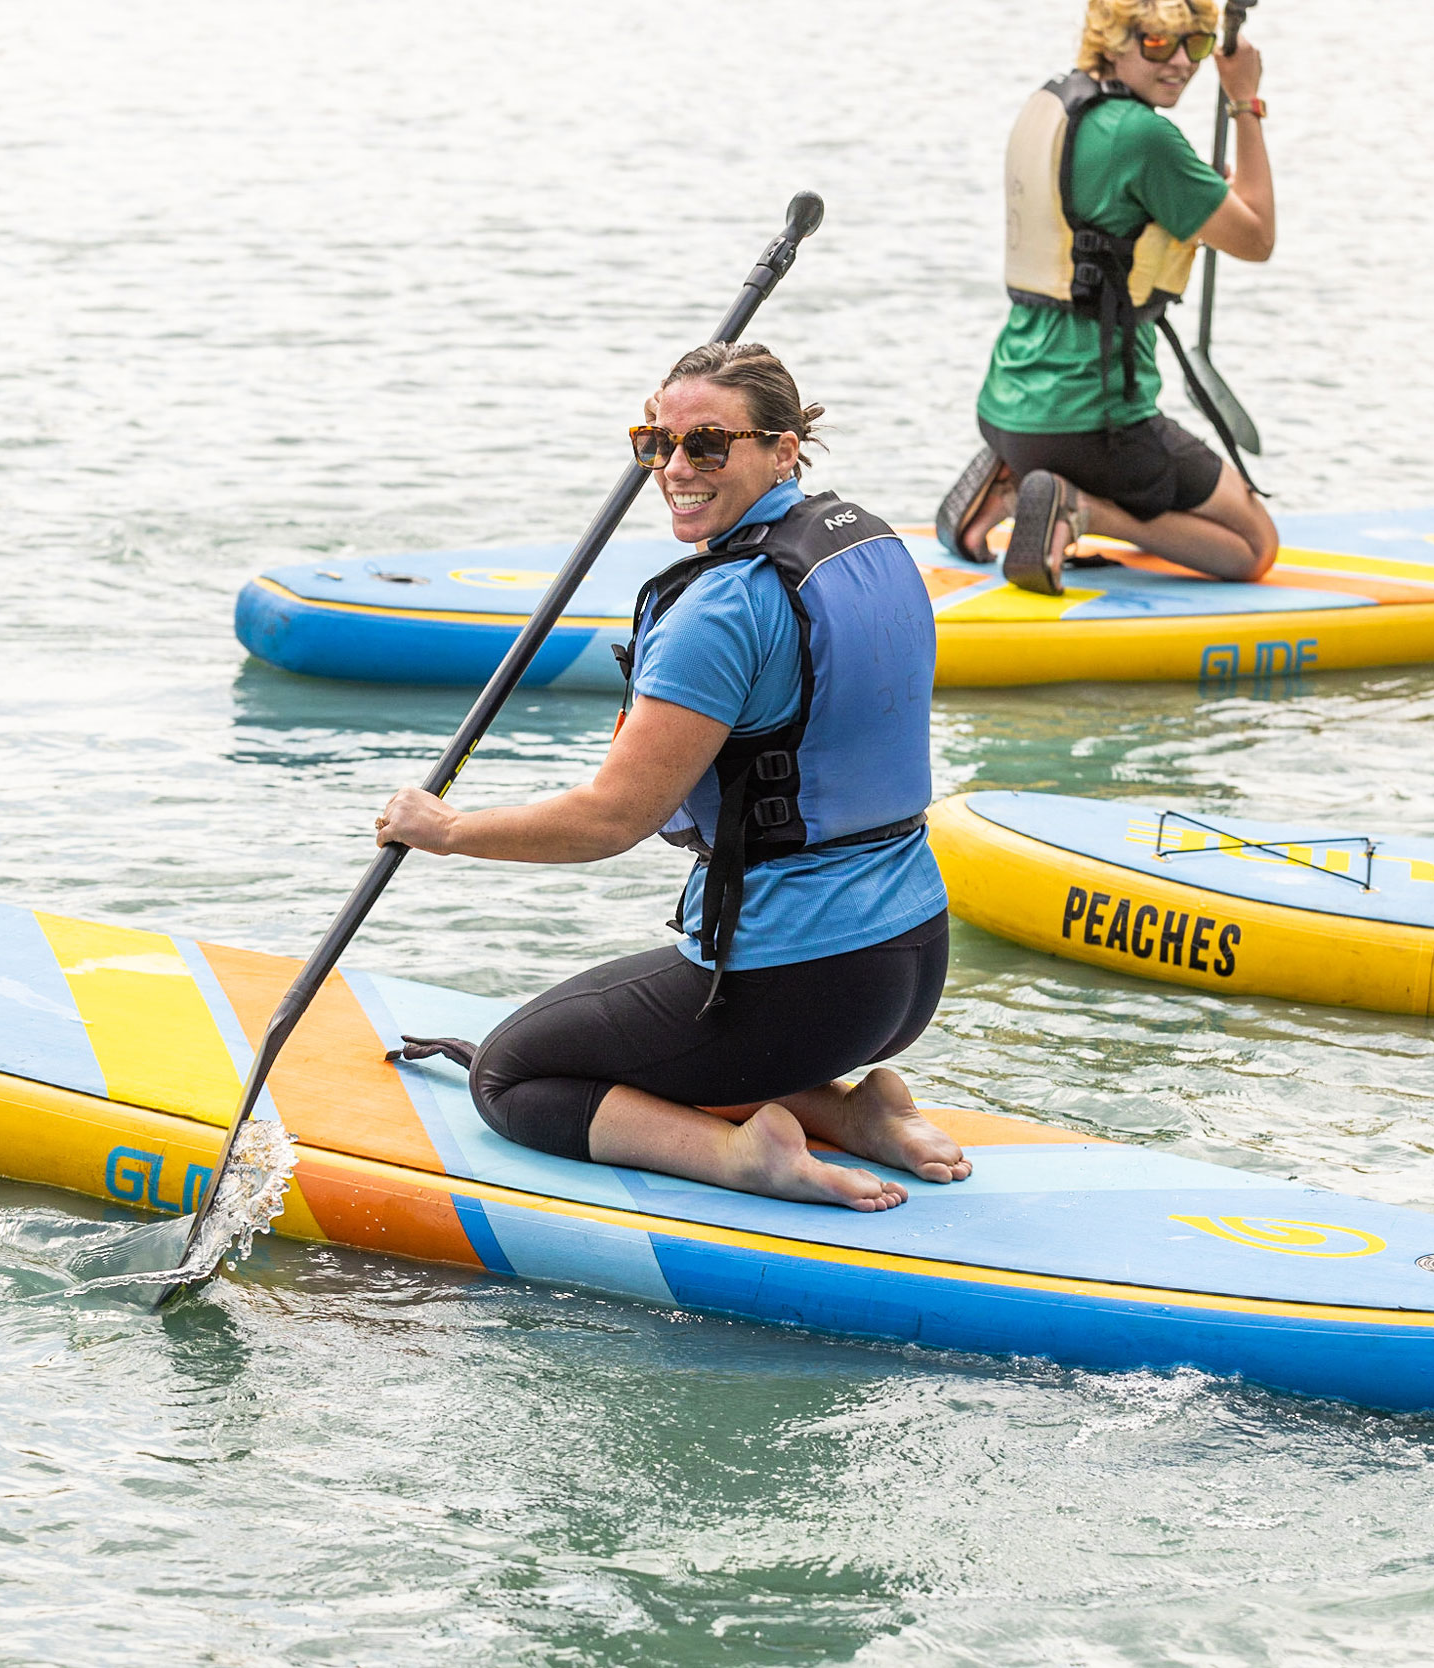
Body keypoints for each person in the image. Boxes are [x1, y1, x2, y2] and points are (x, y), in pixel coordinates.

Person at [373, 343, 967, 1212]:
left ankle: (743, 1156)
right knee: (656, 1039)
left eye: (709, 445)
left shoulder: (723, 607)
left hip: (802, 984)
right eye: (658, 443)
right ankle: (854, 1113)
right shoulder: (870, 546)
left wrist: (448, 832)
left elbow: (611, 821)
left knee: (509, 1075)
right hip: (913, 951)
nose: (676, 469)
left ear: (784, 450)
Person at [936, 0, 1279, 594]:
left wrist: (1192, 199)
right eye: (1157, 43)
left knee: (1175, 502)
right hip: (1096, 423)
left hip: (1006, 405)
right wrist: (1244, 101)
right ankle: (1077, 506)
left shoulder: (1051, 104)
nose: (1181, 62)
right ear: (1113, 39)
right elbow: (1257, 238)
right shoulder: (1145, 135)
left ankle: (1014, 481)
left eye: (1196, 44)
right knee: (1254, 547)